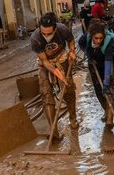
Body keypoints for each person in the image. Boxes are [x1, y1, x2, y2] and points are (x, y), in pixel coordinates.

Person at [30, 12, 79, 140]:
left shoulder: (63, 30)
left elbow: (71, 41)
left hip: (61, 57)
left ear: (55, 29)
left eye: (49, 33)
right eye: (44, 33)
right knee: (46, 94)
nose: (46, 36)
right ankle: (53, 129)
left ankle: (73, 119)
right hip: (45, 63)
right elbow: (45, 62)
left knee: (68, 89)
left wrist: (72, 52)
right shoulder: (35, 38)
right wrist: (58, 75)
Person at [78, 18, 114, 129]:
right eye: (96, 38)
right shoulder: (84, 39)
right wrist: (90, 56)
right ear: (91, 35)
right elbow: (82, 47)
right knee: (98, 91)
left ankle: (110, 120)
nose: (98, 41)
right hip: (94, 64)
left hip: (110, 64)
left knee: (109, 90)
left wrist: (106, 83)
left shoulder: (108, 42)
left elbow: (108, 63)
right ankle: (107, 111)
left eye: (101, 38)